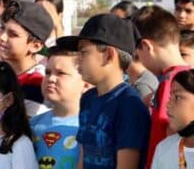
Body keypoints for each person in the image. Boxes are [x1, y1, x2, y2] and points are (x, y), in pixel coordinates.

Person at [56, 14, 151, 169]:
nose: (77, 58)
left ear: (108, 54)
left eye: (83, 51)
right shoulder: (87, 98)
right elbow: (83, 155)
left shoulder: (129, 104)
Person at [131, 5, 190, 166]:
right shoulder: (189, 78)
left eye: (138, 54)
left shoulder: (171, 83)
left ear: (146, 46)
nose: (139, 60)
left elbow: (170, 134)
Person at [30, 47, 85, 169]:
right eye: (48, 72)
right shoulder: (32, 124)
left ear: (85, 83)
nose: (51, 79)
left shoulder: (91, 126)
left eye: (61, 73)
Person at [0, 1, 53, 116]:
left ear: (35, 46)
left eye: (13, 34)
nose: (2, 37)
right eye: (2, 28)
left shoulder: (38, 84)